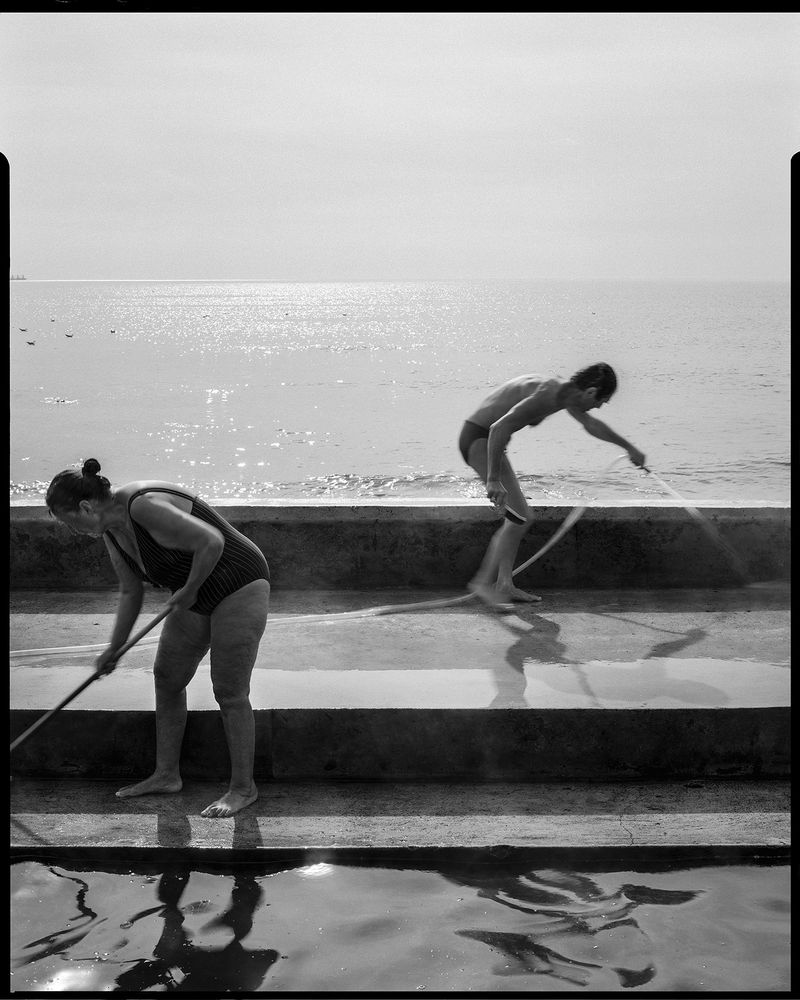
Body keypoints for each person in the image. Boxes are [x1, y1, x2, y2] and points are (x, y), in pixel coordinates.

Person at [45, 458, 270, 818]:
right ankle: (166, 775)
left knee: (229, 689)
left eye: (69, 522)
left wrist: (191, 588)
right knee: (167, 677)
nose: (73, 531)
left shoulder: (142, 505)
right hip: (193, 589)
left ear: (85, 507)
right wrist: (114, 649)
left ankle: (243, 788)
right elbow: (130, 591)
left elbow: (211, 542)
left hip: (238, 580)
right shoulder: (111, 531)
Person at [458, 363, 646, 609]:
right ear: (590, 392)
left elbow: (591, 425)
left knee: (516, 517)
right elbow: (498, 427)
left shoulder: (565, 393)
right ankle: (482, 583)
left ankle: (504, 584)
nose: (599, 407)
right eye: (601, 401)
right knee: (522, 517)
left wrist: (629, 448)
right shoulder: (549, 394)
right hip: (481, 439)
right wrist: (493, 479)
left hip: (486, 440)